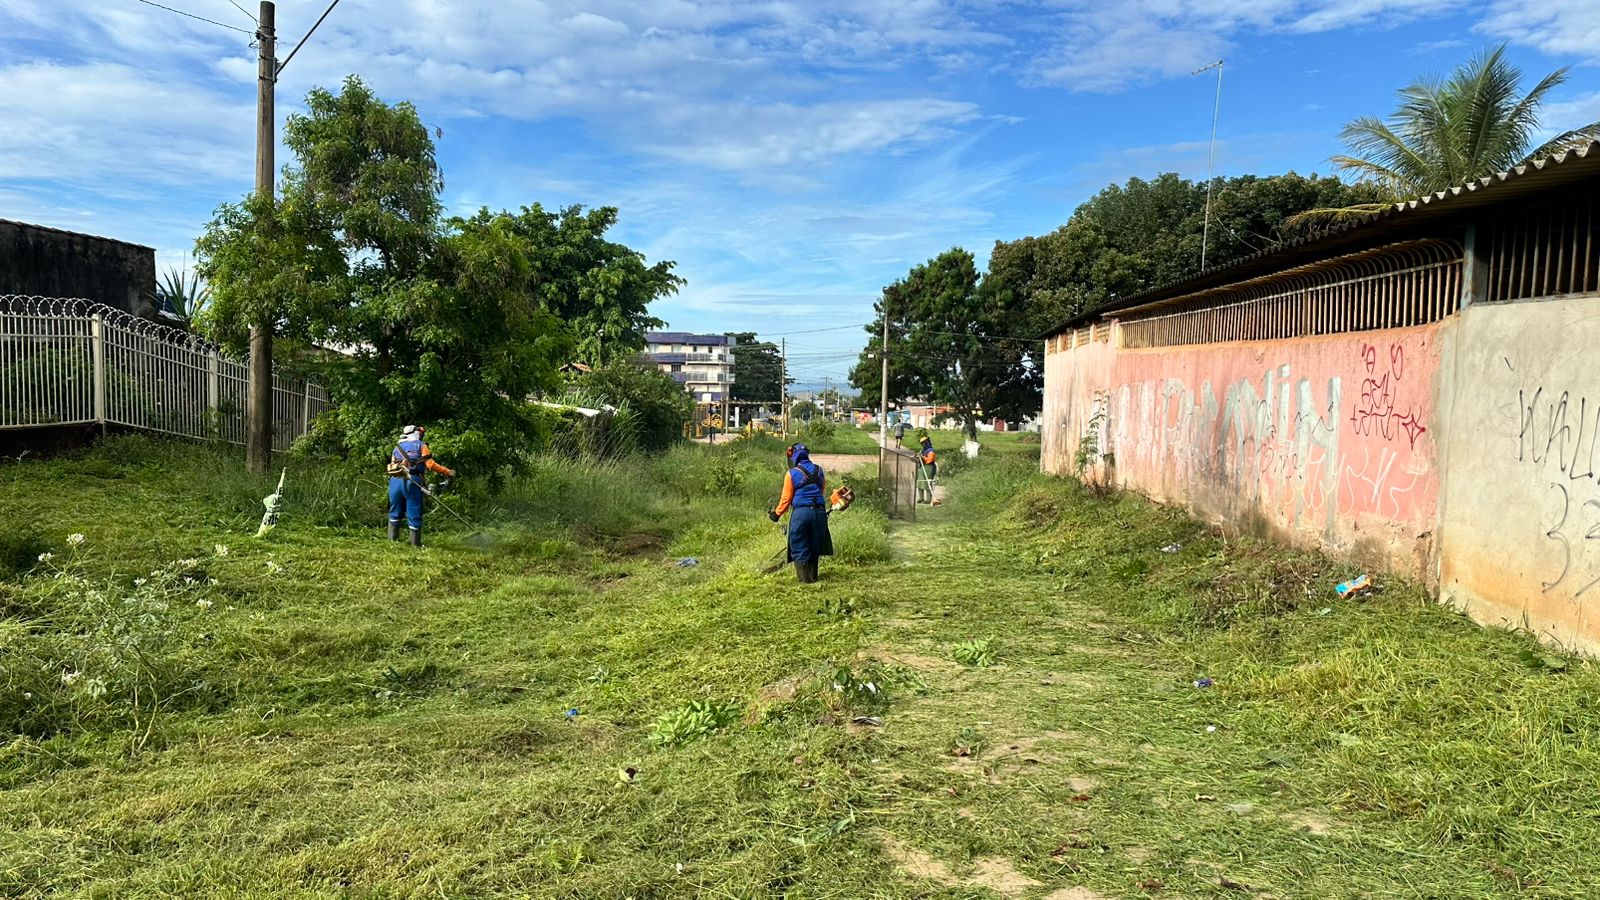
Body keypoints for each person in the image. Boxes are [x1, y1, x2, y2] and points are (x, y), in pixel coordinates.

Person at [767, 443, 832, 583]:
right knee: (815, 544)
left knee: (799, 544)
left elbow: (786, 499)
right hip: (819, 513)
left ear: (794, 456)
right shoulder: (819, 470)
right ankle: (813, 578)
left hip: (801, 514)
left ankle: (805, 581)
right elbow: (821, 491)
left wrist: (776, 514)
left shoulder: (791, 474)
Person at [386, 424, 456, 547]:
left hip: (395, 480)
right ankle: (415, 544)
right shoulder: (421, 445)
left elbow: (392, 465)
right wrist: (448, 472)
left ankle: (392, 540)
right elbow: (430, 464)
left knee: (395, 509)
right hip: (412, 480)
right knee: (414, 509)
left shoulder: (397, 447)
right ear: (417, 433)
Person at [917, 431, 938, 504]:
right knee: (920, 483)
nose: (923, 444)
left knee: (927, 483)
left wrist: (922, 457)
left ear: (927, 443)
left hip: (929, 468)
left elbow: (930, 460)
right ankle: (921, 498)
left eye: (924, 443)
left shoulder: (931, 451)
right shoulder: (922, 451)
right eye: (922, 443)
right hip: (921, 468)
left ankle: (928, 499)